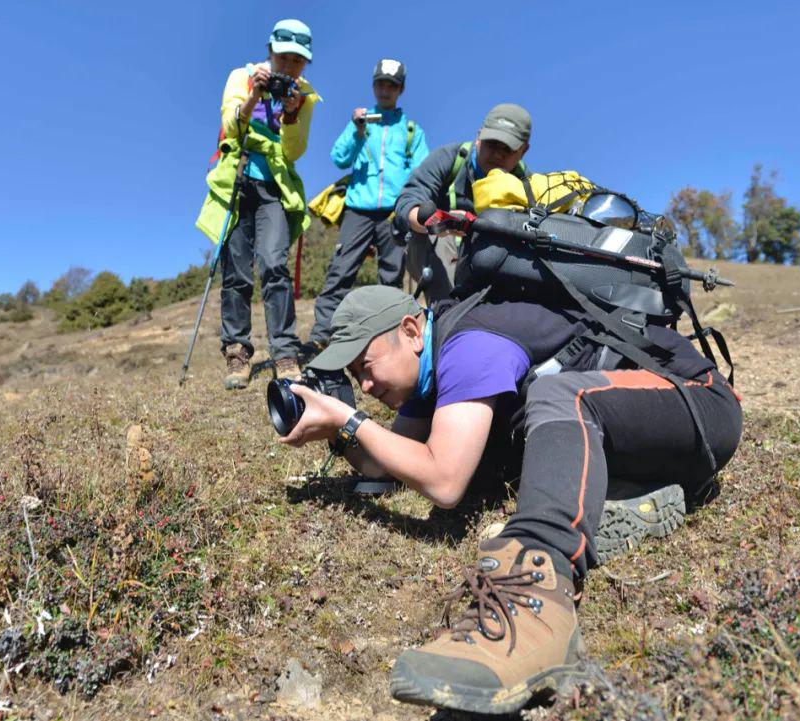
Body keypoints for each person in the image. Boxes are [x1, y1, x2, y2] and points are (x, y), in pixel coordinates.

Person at [279, 285, 742, 715]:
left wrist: (351, 420)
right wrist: (337, 431)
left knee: (561, 395)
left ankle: (538, 607)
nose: (364, 387)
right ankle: (625, 499)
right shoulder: (427, 371)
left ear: (411, 332)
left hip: (698, 406)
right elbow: (388, 465)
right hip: (638, 436)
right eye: (354, 376)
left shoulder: (472, 343)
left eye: (366, 365)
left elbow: (443, 482)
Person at [195, 19, 320, 390]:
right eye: (285, 57)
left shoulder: (305, 95)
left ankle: (284, 351)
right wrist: (255, 95)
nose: (291, 66)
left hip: (273, 188)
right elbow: (231, 127)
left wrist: (293, 113)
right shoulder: (243, 76)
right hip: (237, 178)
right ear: (271, 51)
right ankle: (236, 351)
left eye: (299, 61)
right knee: (235, 271)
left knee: (273, 263)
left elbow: (293, 151)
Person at [305, 59, 429, 353]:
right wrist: (356, 130)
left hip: (392, 214)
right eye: (380, 84)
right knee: (341, 271)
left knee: (391, 278)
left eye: (392, 85)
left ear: (401, 89)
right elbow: (338, 157)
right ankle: (322, 335)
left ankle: (385, 337)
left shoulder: (411, 130)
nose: (385, 90)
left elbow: (423, 169)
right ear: (373, 86)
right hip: (358, 209)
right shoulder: (359, 123)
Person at [394, 103, 532, 302]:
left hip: (488, 264)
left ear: (523, 150)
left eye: (508, 149)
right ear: (479, 137)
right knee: (437, 237)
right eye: (492, 143)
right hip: (435, 258)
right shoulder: (448, 159)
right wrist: (440, 222)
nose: (498, 154)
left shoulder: (527, 185)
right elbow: (408, 200)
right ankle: (441, 314)